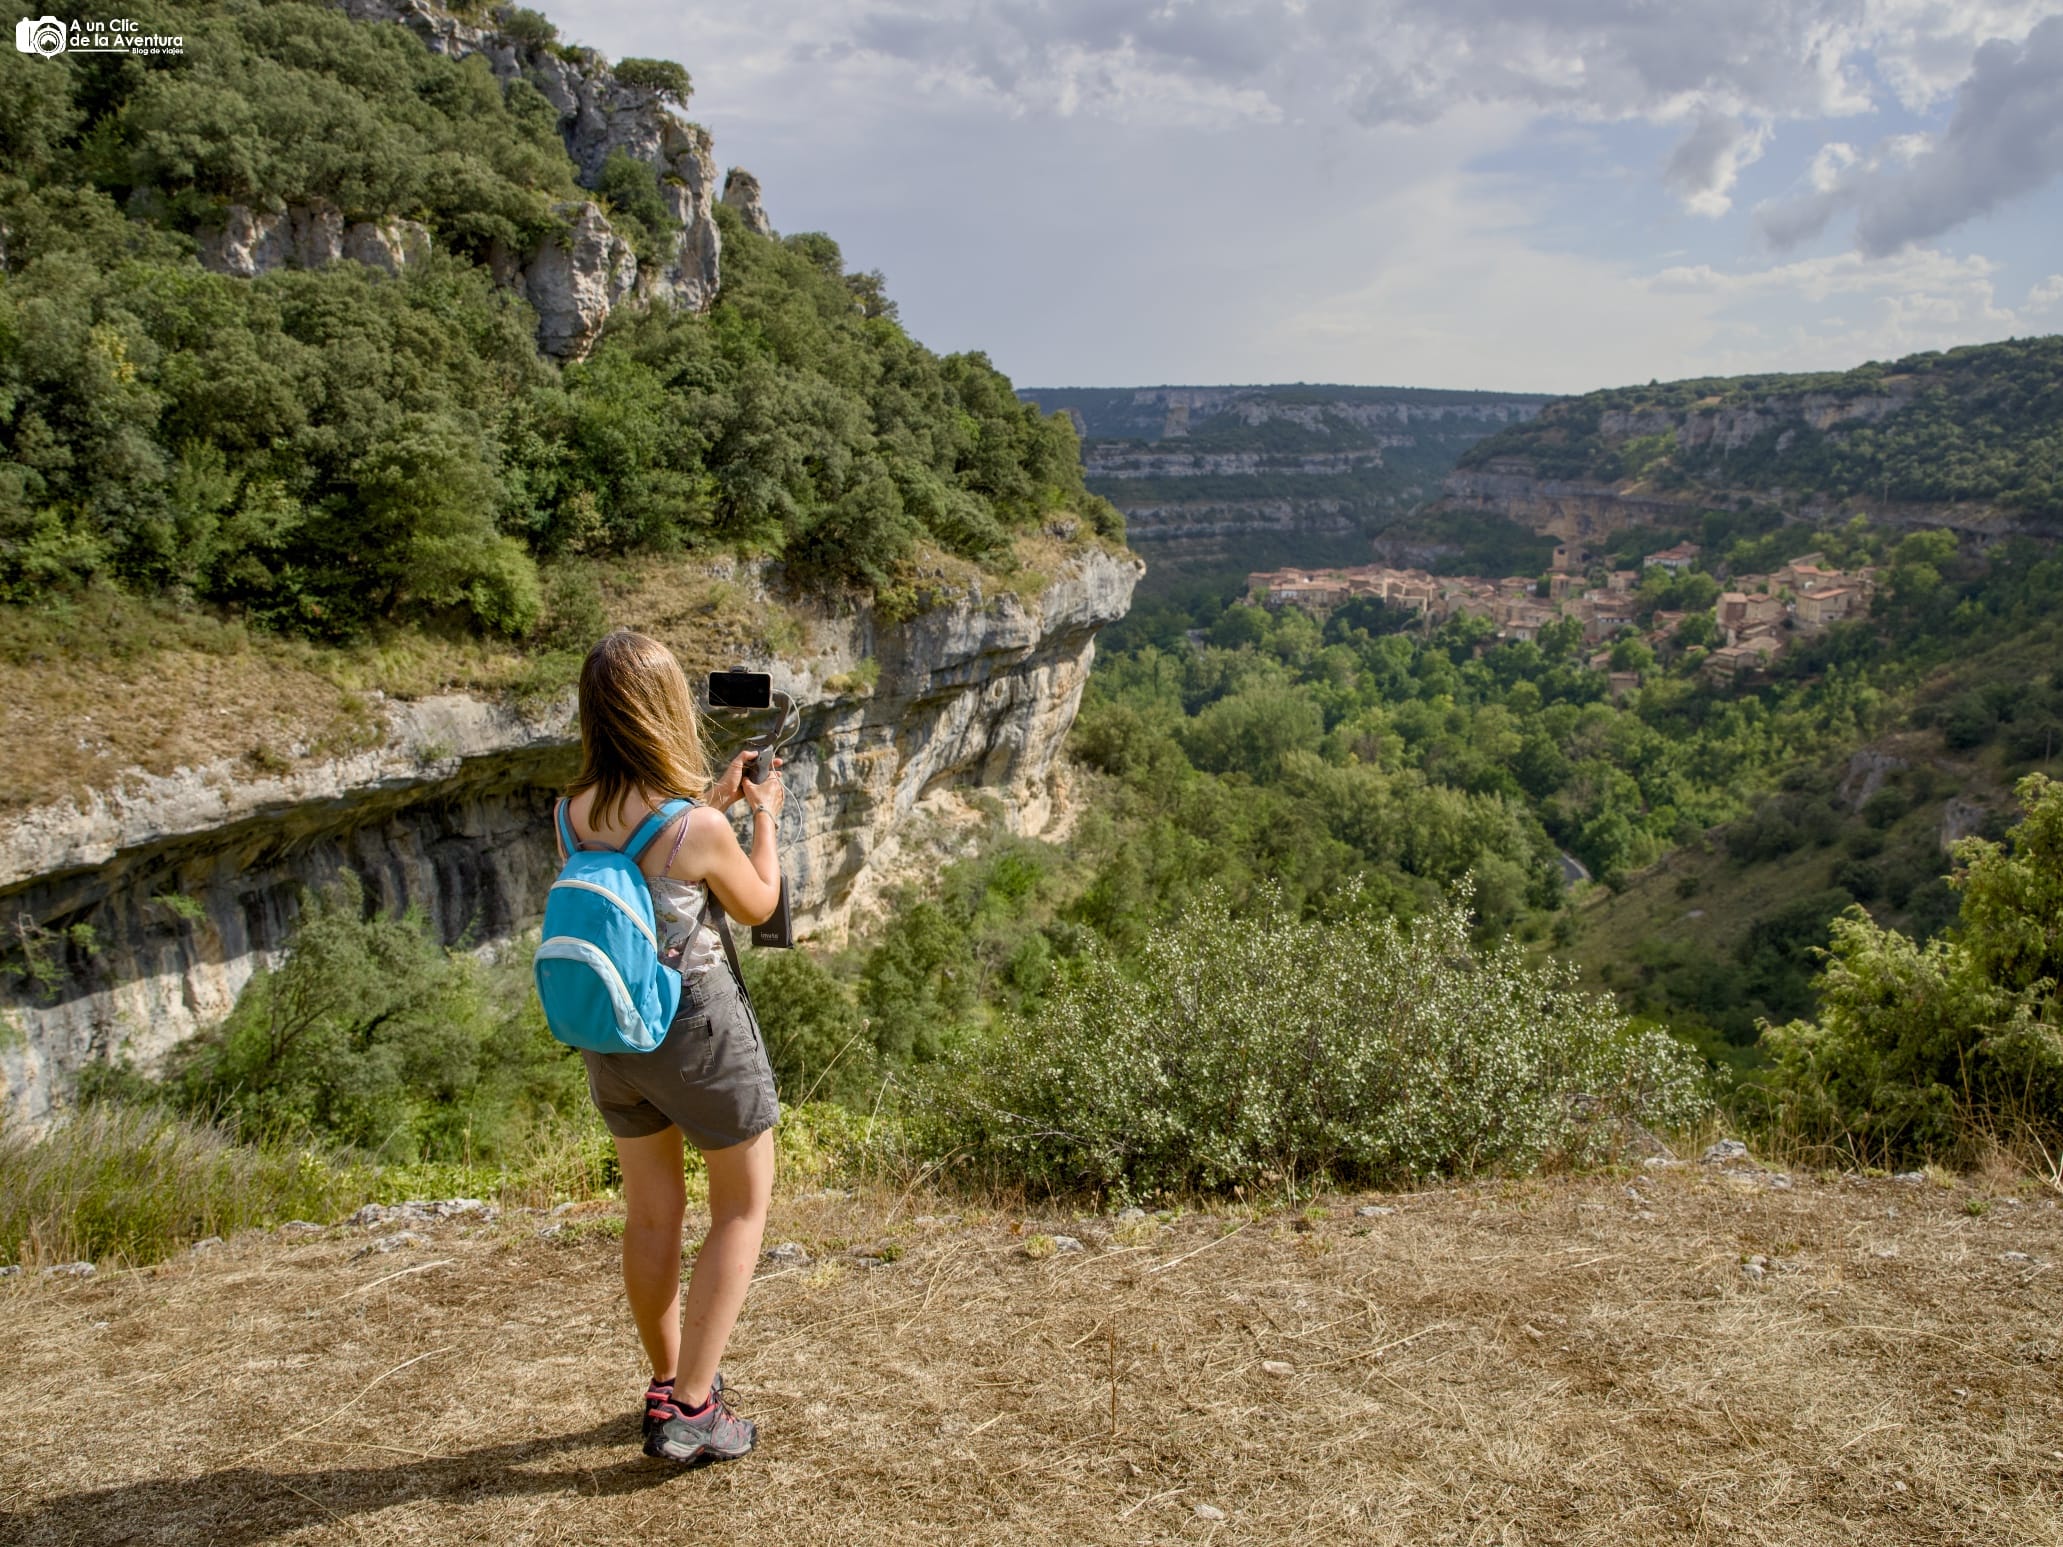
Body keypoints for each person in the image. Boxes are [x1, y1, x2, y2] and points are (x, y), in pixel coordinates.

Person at [553, 629, 787, 1465]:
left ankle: (665, 1379)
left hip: (614, 1032)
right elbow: (757, 903)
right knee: (740, 1206)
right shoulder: (693, 825)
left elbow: (646, 864)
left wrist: (712, 804)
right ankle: (694, 1408)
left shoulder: (569, 812)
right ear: (664, 710)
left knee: (652, 1212)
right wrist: (763, 818)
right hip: (694, 1024)